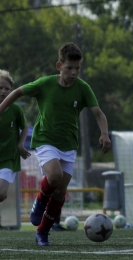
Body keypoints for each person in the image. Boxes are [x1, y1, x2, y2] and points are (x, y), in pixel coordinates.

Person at [0, 42, 111, 246]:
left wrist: (104, 133)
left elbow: (98, 113)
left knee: (60, 192)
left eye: (77, 68)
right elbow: (17, 93)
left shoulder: (83, 88)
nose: (74, 73)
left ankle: (42, 233)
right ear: (59, 66)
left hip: (69, 144)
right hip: (45, 140)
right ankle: (40, 202)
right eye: (69, 68)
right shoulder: (45, 84)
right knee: (55, 176)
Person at [0, 70, 31, 226]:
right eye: (0, 88)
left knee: (1, 193)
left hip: (8, 158)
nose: (3, 91)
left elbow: (25, 127)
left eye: (7, 89)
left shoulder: (15, 109)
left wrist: (20, 144)